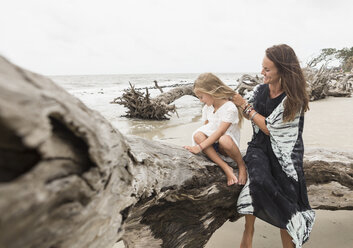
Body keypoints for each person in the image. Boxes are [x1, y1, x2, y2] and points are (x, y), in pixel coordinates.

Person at [233, 44, 315, 248]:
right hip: (259, 147)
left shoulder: (292, 98)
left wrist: (246, 107)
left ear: (282, 70)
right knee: (257, 181)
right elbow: (248, 113)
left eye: (267, 69)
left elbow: (271, 128)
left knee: (286, 191)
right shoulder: (260, 90)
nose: (262, 72)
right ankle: (249, 231)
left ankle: (290, 225)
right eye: (262, 67)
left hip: (286, 153)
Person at [184, 73, 247, 186]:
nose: (200, 100)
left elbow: (220, 132)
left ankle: (241, 165)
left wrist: (200, 147)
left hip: (226, 146)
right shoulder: (207, 108)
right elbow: (206, 127)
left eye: (201, 97)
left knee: (224, 139)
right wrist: (200, 141)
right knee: (198, 135)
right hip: (213, 145)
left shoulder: (229, 107)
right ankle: (225, 167)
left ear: (211, 91)